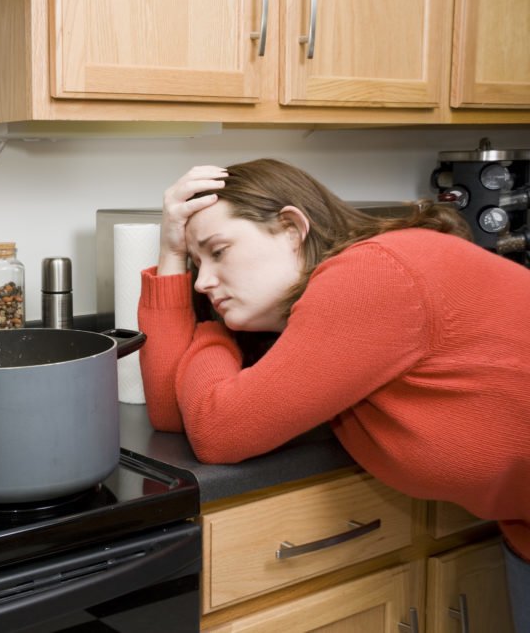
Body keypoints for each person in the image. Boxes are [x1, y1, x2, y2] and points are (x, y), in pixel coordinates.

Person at [137, 159, 530, 629]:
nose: (202, 283)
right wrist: (170, 252)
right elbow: (169, 410)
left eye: (218, 252)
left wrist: (209, 330)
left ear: (291, 228)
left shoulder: (370, 275)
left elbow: (219, 428)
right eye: (195, 265)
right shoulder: (309, 311)